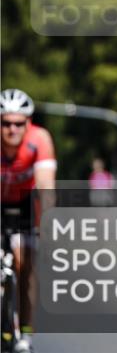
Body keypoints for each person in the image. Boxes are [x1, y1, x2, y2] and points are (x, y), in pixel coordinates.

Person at [1, 89, 57, 353]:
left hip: (24, 205)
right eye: (5, 123)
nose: (12, 129)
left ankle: (25, 333)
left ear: (28, 122)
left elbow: (46, 187)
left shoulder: (40, 139)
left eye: (18, 123)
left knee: (24, 266)